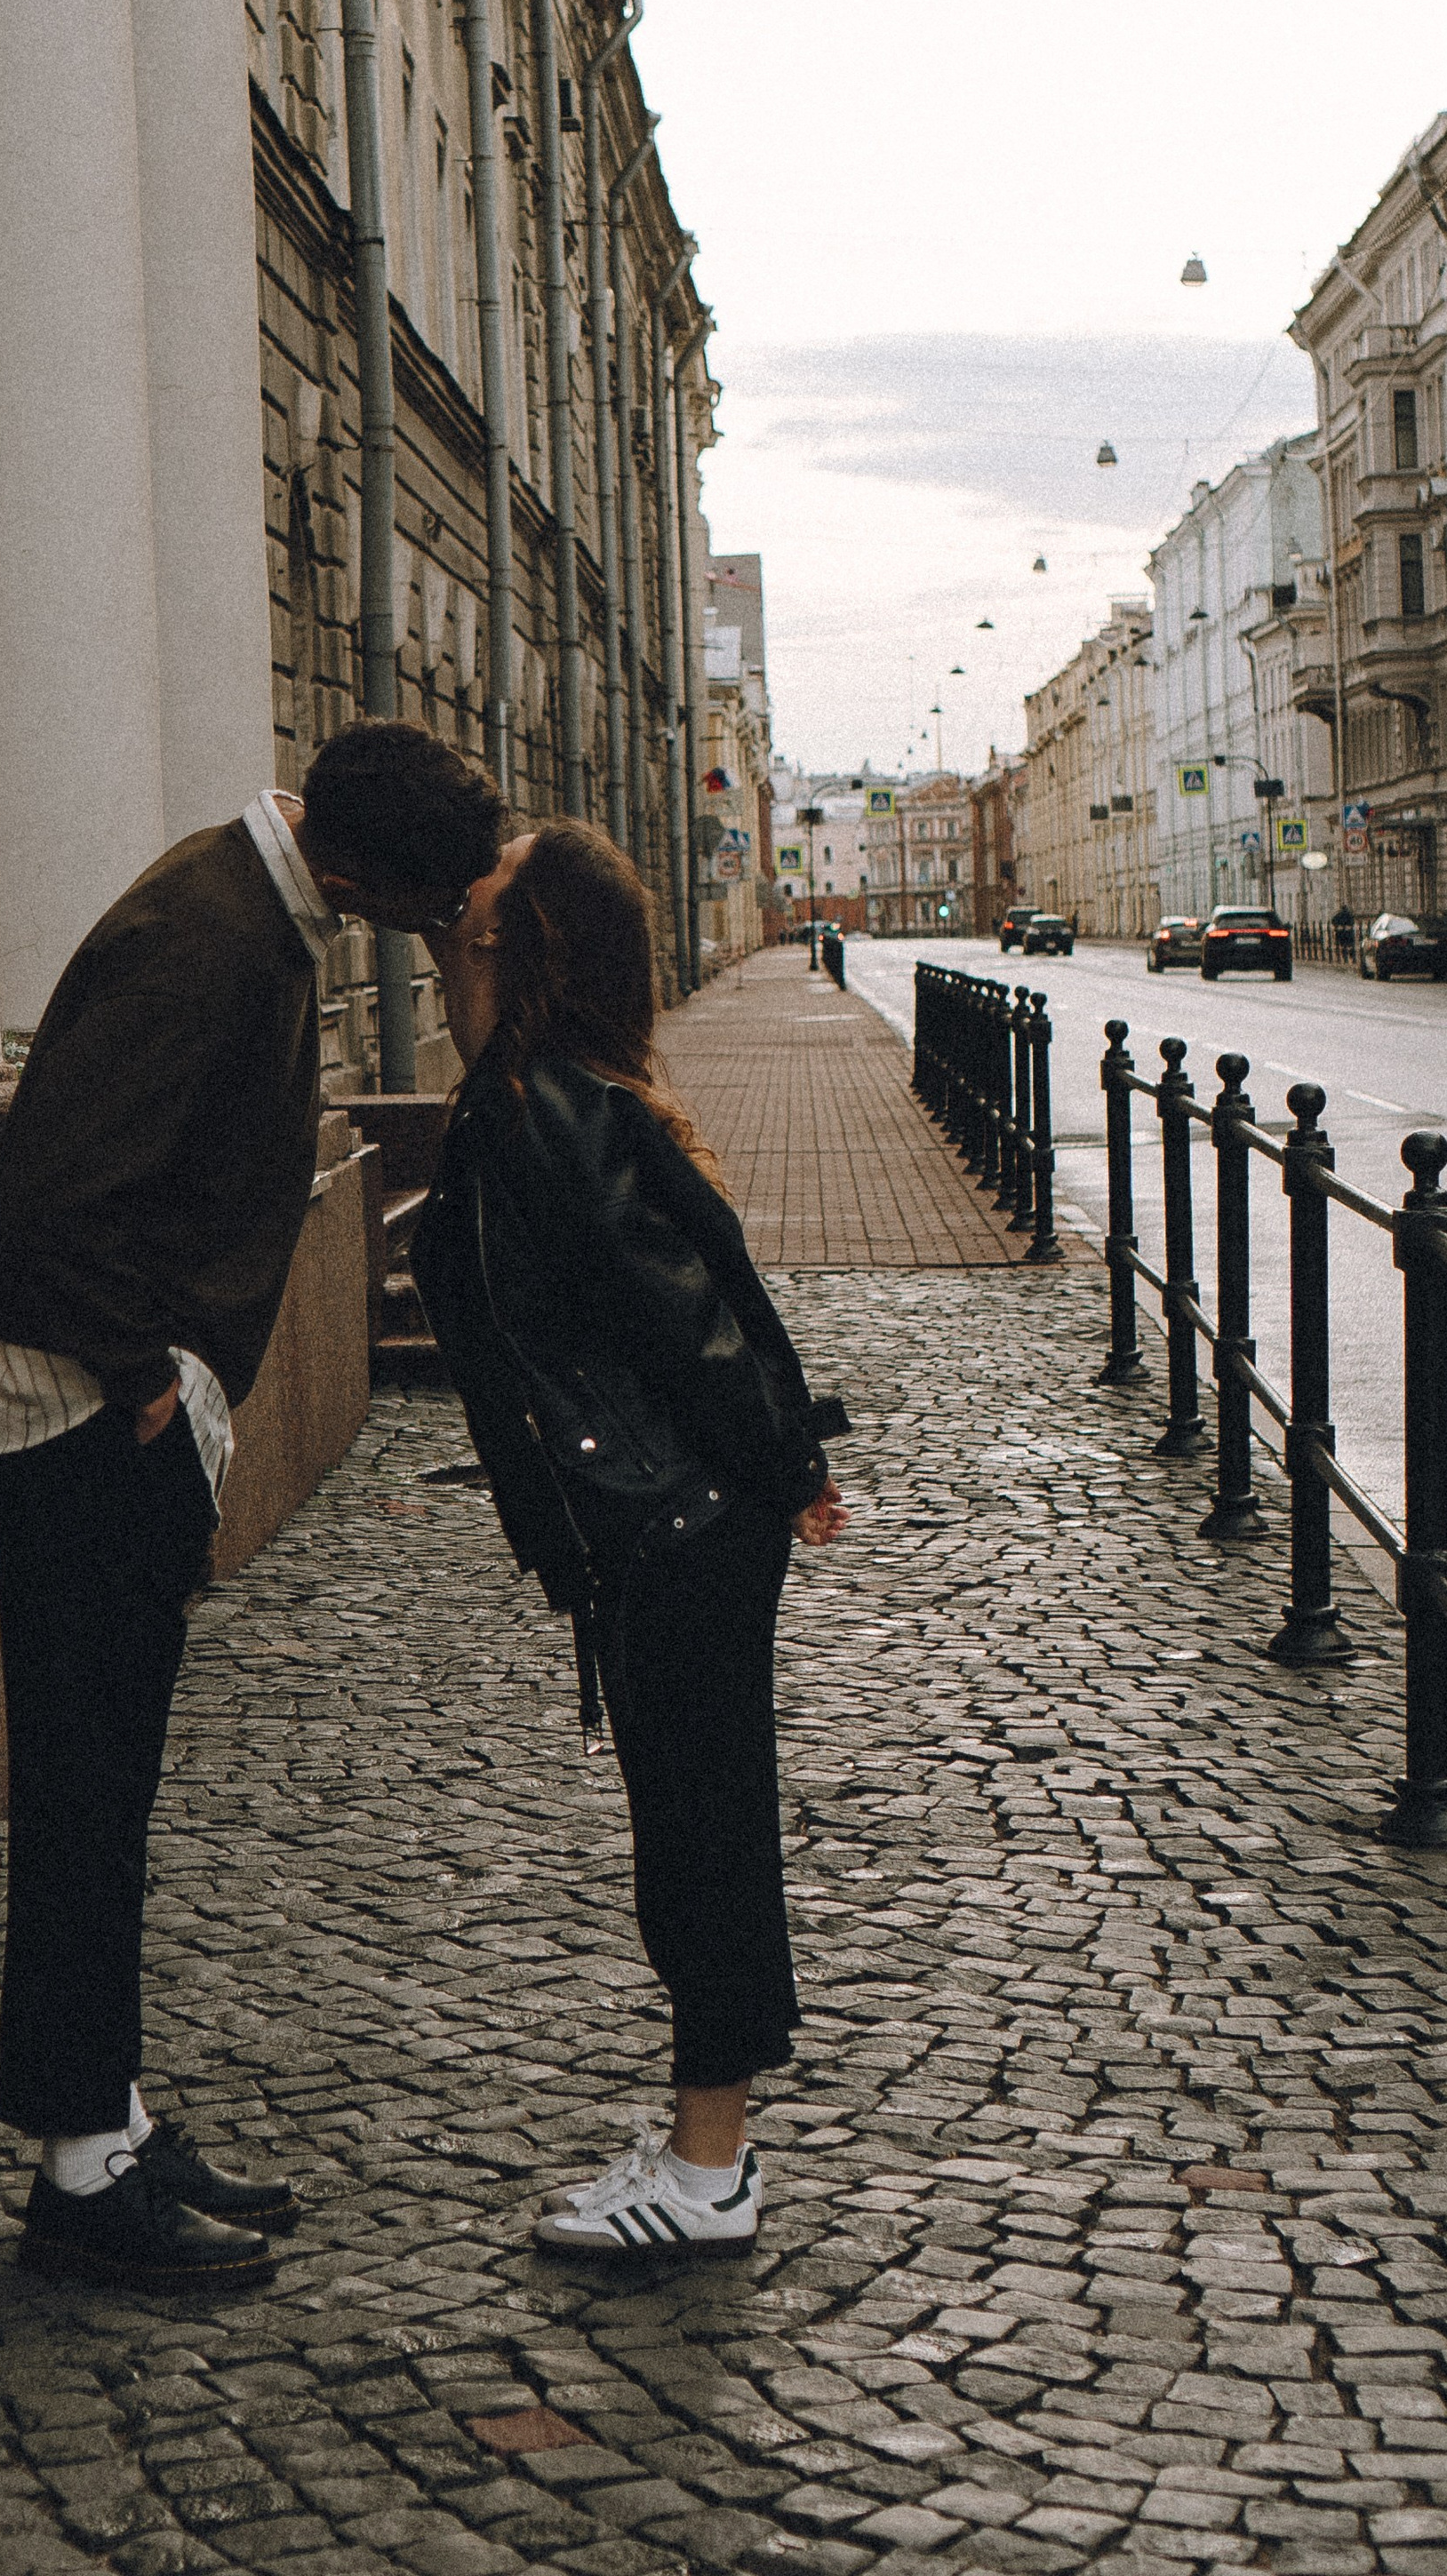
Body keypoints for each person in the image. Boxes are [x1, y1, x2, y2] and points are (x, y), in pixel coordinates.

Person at [0, 722, 504, 2293]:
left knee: (104, 1795)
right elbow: (57, 1198)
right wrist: (142, 1379)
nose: (426, 931)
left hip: (107, 1402)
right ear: (359, 865)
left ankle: (102, 2118)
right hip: (82, 1415)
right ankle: (81, 2174)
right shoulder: (210, 938)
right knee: (84, 1796)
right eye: (424, 903)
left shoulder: (252, 907)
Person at [411, 820, 849, 2263]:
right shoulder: (538, 1092)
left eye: (495, 866)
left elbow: (692, 1319)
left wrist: (785, 1466)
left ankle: (710, 2170)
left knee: (703, 1845)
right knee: (691, 1837)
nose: (471, 869)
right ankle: (700, 2147)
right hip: (669, 1518)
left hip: (677, 1523)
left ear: (515, 935)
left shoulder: (543, 1107)